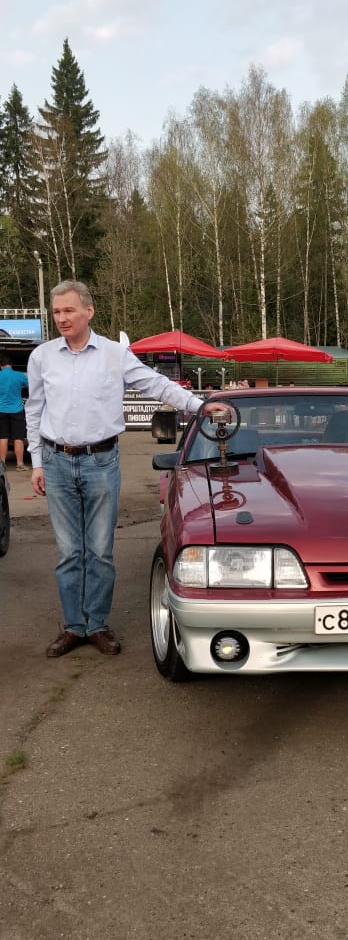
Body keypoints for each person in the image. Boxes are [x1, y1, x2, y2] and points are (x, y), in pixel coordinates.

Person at [25, 280, 215, 659]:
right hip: (56, 461)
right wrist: (37, 463)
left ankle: (96, 624)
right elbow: (34, 409)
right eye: (56, 311)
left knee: (99, 550)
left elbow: (156, 385)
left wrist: (199, 406)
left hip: (101, 461)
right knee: (68, 552)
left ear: (89, 311)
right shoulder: (42, 357)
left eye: (68, 310)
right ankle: (73, 626)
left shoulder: (114, 354)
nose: (61, 318)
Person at [0, 351, 29, 470]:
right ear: (11, 364)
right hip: (16, 410)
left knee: (3, 437)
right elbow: (31, 387)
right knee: (18, 438)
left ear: (0, 365)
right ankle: (20, 464)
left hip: (1, 410)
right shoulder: (19, 375)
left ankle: (2, 465)